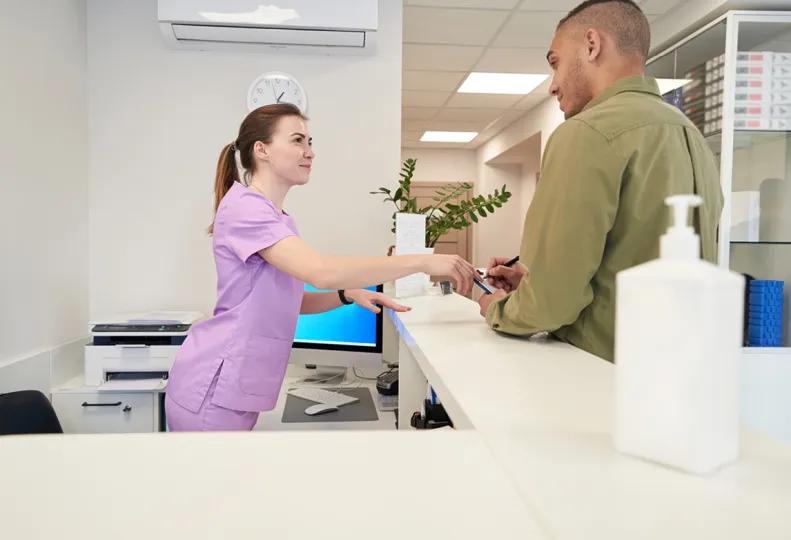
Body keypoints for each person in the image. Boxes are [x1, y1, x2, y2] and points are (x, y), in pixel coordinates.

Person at [166, 103, 476, 431]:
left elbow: (291, 299)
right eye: (298, 140)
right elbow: (320, 271)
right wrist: (422, 261)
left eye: (310, 142)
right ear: (262, 150)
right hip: (213, 386)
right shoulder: (246, 208)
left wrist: (346, 295)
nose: (309, 152)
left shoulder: (276, 217)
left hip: (235, 386)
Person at [478, 0, 723, 362]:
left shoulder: (585, 133)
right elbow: (629, 257)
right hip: (684, 374)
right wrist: (533, 281)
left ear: (592, 45)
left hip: (603, 380)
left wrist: (496, 306)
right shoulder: (690, 134)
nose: (553, 86)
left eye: (555, 63)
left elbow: (549, 306)